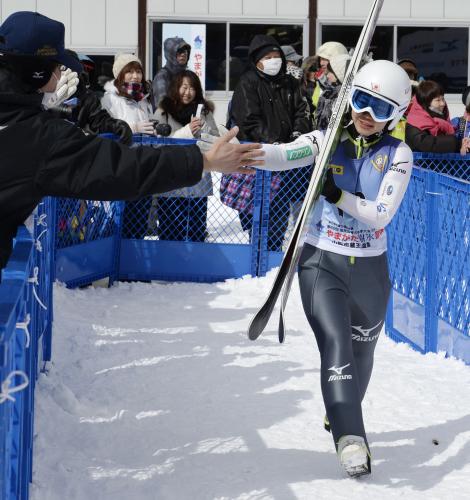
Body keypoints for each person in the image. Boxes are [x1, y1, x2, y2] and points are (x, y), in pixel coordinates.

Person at [249, 60, 413, 477]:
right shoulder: (326, 142)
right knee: (336, 344)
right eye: (360, 101)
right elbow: (284, 154)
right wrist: (243, 154)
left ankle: (341, 410)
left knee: (363, 353)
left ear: (395, 115)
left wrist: (336, 195)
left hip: (370, 271)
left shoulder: (399, 155)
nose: (365, 114)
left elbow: (380, 214)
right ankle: (351, 439)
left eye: (379, 108)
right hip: (322, 260)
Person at [0, 11, 264, 271]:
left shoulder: (26, 122)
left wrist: (42, 108)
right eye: (57, 67)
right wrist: (204, 160)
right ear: (36, 72)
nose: (61, 74)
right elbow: (120, 168)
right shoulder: (39, 137)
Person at [229, 34, 311, 251]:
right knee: (255, 212)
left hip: (286, 159)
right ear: (257, 60)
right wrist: (271, 142)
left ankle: (272, 253)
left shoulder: (290, 84)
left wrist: (296, 136)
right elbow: (247, 119)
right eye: (268, 56)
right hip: (259, 157)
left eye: (277, 56)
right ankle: (256, 252)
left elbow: (303, 112)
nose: (274, 60)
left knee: (279, 210)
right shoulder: (248, 82)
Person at [153, 70, 218, 241]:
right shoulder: (163, 111)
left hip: (197, 180)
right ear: (176, 88)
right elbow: (158, 144)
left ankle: (195, 265)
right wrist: (187, 131)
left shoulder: (204, 112)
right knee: (169, 232)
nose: (187, 92)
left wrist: (204, 130)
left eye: (192, 88)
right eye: (184, 87)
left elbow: (216, 141)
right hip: (170, 183)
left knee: (196, 231)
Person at [101, 53, 157, 238]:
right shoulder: (110, 99)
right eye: (129, 71)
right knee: (121, 221)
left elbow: (147, 126)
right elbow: (105, 130)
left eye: (138, 71)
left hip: (143, 167)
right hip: (121, 168)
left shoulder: (143, 99)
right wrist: (133, 129)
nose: (135, 76)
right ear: (120, 74)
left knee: (140, 220)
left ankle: (135, 260)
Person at [405, 80, 459, 153]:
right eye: (438, 100)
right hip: (418, 164)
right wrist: (457, 143)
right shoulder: (415, 122)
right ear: (426, 103)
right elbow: (425, 143)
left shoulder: (442, 117)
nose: (442, 103)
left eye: (443, 99)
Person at [314, 53, 351, 130]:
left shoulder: (339, 95)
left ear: (339, 75)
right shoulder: (330, 91)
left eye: (331, 72)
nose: (327, 76)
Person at [152, 37, 191, 108]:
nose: (183, 54)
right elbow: (162, 106)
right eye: (179, 51)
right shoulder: (162, 76)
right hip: (169, 117)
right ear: (170, 54)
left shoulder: (187, 75)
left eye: (185, 51)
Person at [451, 86, 470, 155]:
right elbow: (447, 141)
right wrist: (460, 145)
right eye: (468, 111)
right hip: (458, 163)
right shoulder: (457, 122)